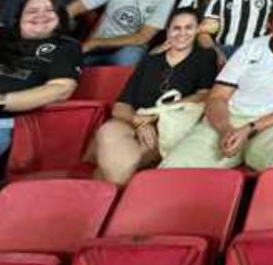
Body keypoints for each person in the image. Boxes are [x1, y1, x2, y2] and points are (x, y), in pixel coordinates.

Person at [160, 0, 273, 171]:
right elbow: (218, 96)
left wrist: (250, 129)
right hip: (231, 118)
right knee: (176, 164)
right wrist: (225, 130)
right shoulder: (250, 48)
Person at [93, 10, 217, 184]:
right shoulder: (151, 60)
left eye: (189, 28)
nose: (182, 33)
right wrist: (138, 120)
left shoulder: (204, 57)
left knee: (105, 170)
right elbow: (120, 106)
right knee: (108, 131)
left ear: (197, 30)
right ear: (167, 31)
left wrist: (156, 114)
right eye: (176, 28)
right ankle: (117, 191)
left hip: (169, 126)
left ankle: (110, 190)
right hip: (136, 122)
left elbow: (204, 95)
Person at [0, 0, 81, 171]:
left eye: (49, 11)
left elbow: (61, 89)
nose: (40, 15)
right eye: (32, 11)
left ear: (60, 18)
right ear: (19, 17)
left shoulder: (66, 47)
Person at [68, 0, 177, 66]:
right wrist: (56, 23)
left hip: (127, 47)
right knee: (69, 64)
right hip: (98, 44)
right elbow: (78, 5)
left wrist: (96, 43)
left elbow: (143, 37)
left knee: (128, 57)